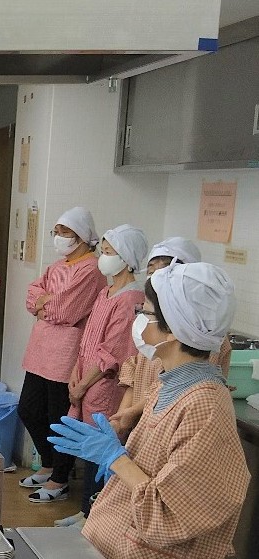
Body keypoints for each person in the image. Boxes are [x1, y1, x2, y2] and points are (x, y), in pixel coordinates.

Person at [49, 263, 249, 559]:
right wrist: (121, 460)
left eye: (147, 315)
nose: (139, 322)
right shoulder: (169, 386)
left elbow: (171, 515)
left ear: (174, 331)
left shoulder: (205, 407)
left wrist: (117, 459)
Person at [55, 224, 148, 528]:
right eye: (104, 251)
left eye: (109, 252)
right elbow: (88, 341)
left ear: (127, 258)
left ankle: (93, 517)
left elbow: (113, 352)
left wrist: (83, 383)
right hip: (85, 378)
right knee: (88, 449)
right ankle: (85, 512)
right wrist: (74, 372)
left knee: (101, 453)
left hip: (103, 386)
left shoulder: (130, 299)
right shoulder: (106, 292)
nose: (103, 257)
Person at [16, 206, 107, 504]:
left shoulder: (91, 269)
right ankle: (48, 463)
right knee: (29, 409)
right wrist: (43, 303)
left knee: (60, 418)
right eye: (56, 232)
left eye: (64, 232)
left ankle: (60, 479)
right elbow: (32, 296)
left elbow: (67, 311)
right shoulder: (58, 266)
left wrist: (46, 305)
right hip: (40, 350)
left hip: (66, 353)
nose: (58, 237)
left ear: (81, 236)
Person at [110, 237, 232, 440]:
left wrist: (115, 459)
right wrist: (124, 416)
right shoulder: (164, 374)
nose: (157, 275)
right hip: (142, 425)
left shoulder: (202, 397)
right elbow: (136, 370)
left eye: (167, 269)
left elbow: (174, 471)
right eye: (152, 270)